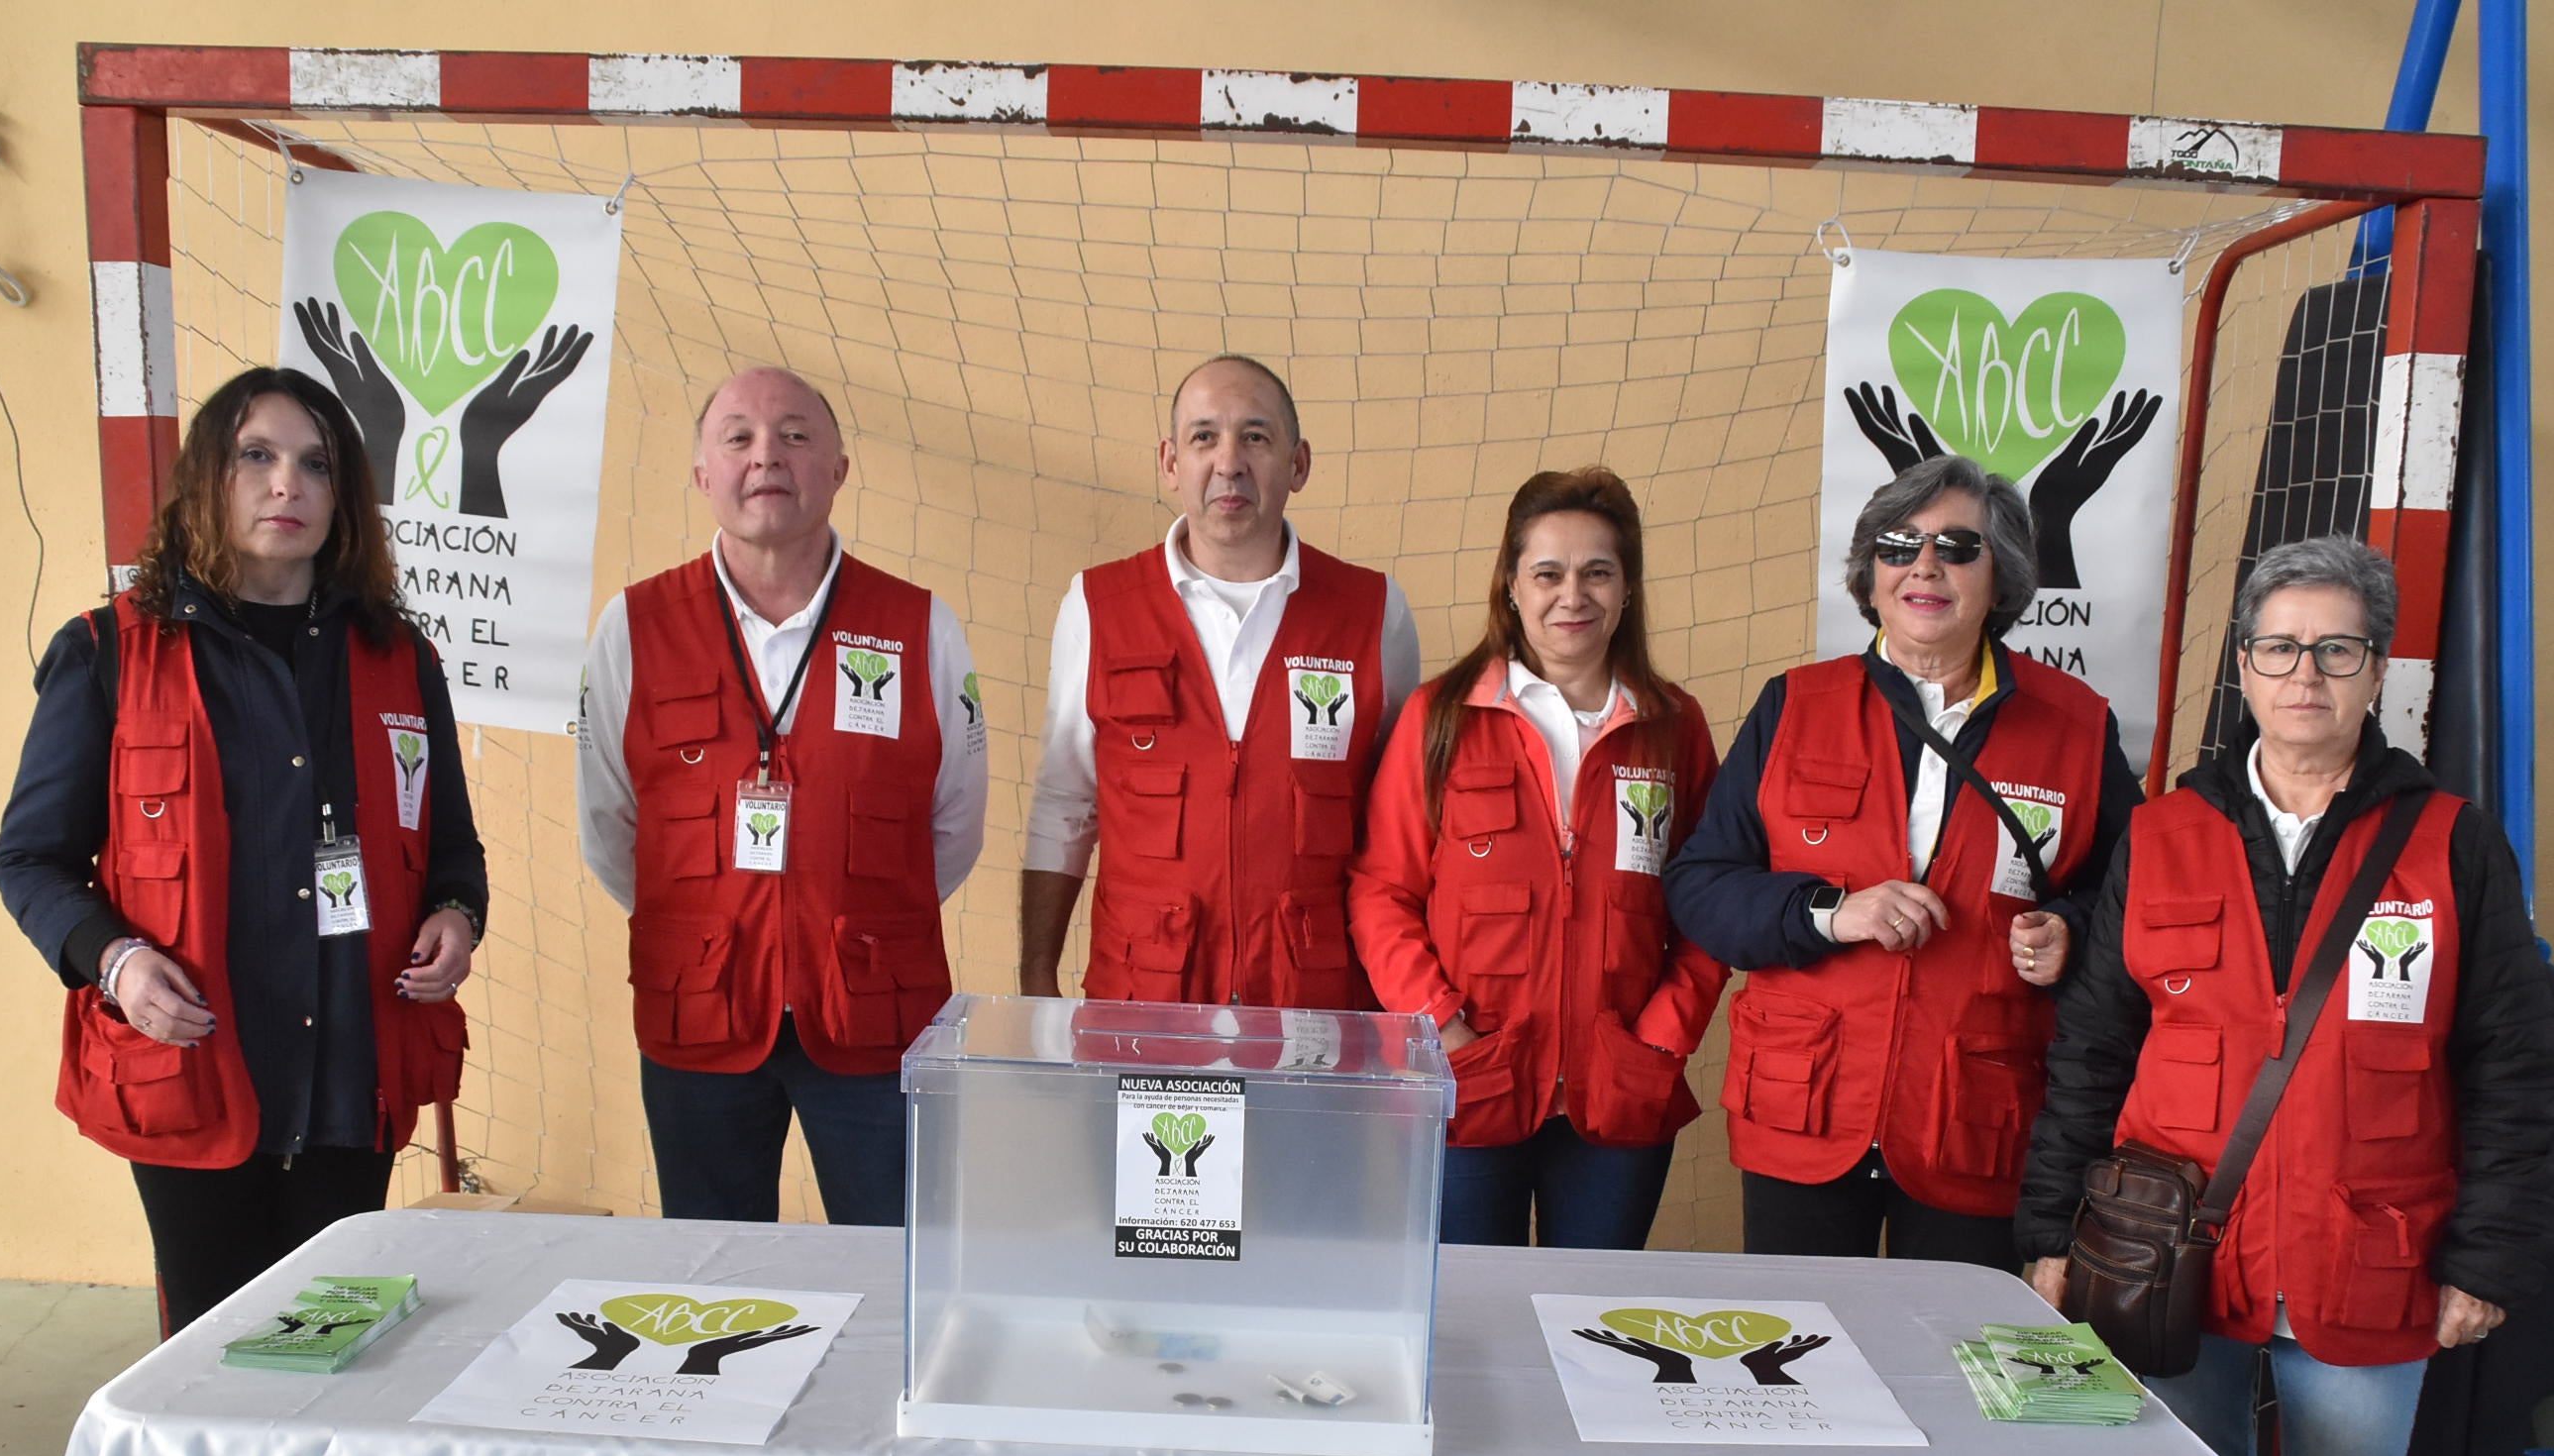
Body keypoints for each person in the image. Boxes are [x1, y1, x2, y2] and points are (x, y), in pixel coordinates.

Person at [2019, 535, 2554, 1456]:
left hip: (2372, 1254)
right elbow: (2093, 1050)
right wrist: (2048, 1235)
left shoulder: (2448, 843)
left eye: (2335, 649)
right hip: (2174, 1259)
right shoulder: (2167, 832)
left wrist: (2487, 1257)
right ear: (2242, 668)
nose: (2304, 674)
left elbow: (2510, 1060)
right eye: (2278, 648)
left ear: (2377, 670)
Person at [0, 367, 483, 1335]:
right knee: (215, 1354)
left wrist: (458, 916)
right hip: (196, 1076)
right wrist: (118, 962)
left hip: (354, 1070)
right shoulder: (108, 652)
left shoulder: (399, 658)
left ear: (344, 498)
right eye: (256, 456)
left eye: (315, 463)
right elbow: (30, 859)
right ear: (209, 479)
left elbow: (453, 846)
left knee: (335, 1347)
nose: (286, 484)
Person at [1663, 455, 2138, 1264]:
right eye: (1897, 545)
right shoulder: (1793, 705)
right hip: (1802, 1113)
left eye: (1957, 548)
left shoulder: (2078, 726)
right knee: (1799, 1369)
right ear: (1871, 574)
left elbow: (2132, 902)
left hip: (1975, 1124)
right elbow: (1701, 887)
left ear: (2003, 577)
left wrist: (2071, 930)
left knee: (1949, 1372)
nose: (1923, 565)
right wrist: (1831, 912)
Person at [578, 367, 986, 1225]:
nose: (768, 457)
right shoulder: (633, 628)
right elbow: (612, 827)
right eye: (739, 438)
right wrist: (718, 918)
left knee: (895, 1265)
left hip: (875, 1015)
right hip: (700, 1014)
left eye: (796, 436)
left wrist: (844, 911)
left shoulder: (920, 626)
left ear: (838, 467)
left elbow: (953, 824)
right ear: (701, 473)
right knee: (713, 1276)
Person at [1348, 468, 1726, 1247]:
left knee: (1592, 1324)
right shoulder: (1439, 719)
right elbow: (1380, 892)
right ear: (1512, 586)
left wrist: (1662, 1037)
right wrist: (1443, 1028)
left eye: (1598, 573)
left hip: (1621, 1090)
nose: (1572, 596)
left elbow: (1709, 904)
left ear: (1627, 591)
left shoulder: (1674, 727)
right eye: (1547, 573)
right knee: (1468, 1316)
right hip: (1470, 1081)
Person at [1017, 355, 1420, 1006]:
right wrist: (1037, 976)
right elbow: (1066, 802)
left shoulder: (1373, 613)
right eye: (1204, 436)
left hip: (1316, 1009)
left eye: (1255, 437)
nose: (1228, 462)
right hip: (1145, 1001)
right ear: (1171, 463)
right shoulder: (1097, 607)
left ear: (1299, 464)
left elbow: (1401, 826)